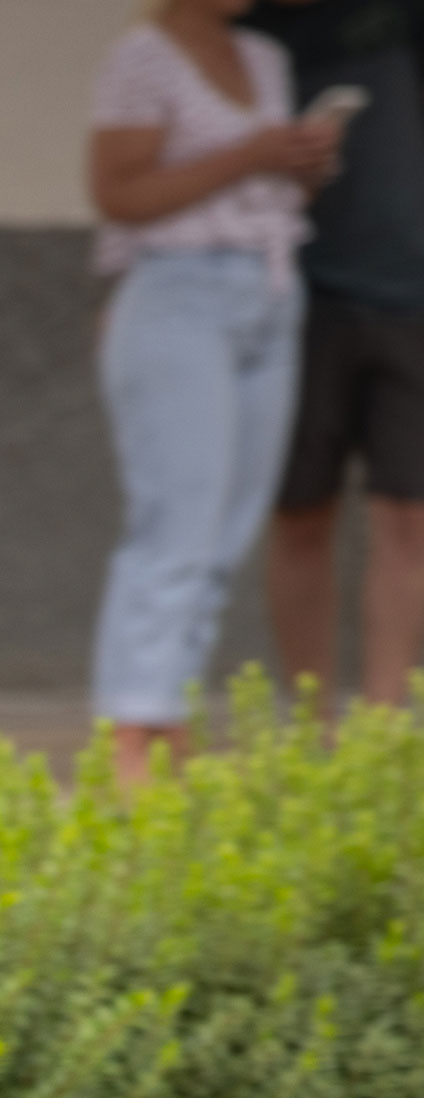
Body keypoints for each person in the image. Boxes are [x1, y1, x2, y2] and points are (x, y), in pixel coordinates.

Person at [89, 0, 344, 783]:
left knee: (226, 530)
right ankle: (130, 726)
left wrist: (302, 163)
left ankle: (168, 714)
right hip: (178, 295)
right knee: (175, 523)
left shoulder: (263, 57)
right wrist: (249, 154)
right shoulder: (141, 58)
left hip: (267, 290)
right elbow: (118, 195)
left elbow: (269, 194)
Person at [262, 0, 424, 708]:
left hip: (413, 298)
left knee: (410, 517)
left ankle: (383, 726)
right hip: (294, 298)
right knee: (301, 514)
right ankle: (309, 723)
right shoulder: (249, 32)